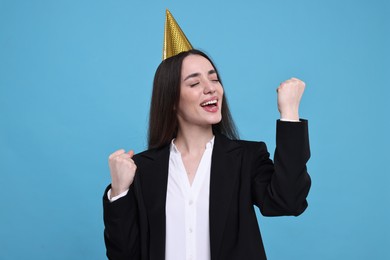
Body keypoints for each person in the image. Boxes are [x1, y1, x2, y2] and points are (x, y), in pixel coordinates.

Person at [103, 10, 311, 260]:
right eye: (194, 83)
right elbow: (123, 255)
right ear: (170, 100)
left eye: (214, 79)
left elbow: (288, 201)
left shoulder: (246, 158)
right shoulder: (143, 170)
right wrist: (119, 192)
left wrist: (289, 114)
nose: (210, 88)